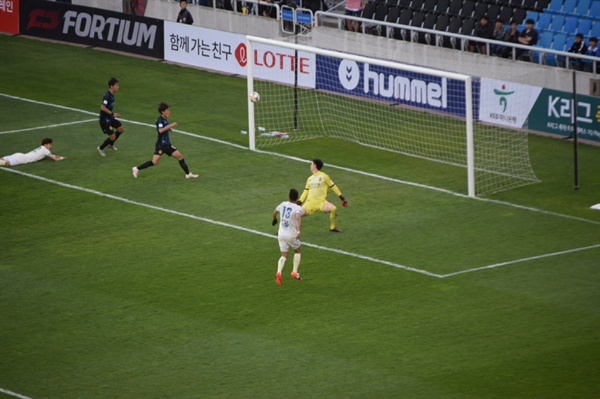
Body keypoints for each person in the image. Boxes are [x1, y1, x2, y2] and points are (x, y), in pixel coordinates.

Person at [132, 102, 199, 179]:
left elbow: (165, 127)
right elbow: (160, 130)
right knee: (154, 162)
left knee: (180, 157)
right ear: (163, 112)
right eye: (167, 110)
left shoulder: (165, 119)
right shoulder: (159, 120)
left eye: (169, 110)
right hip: (161, 145)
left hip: (167, 145)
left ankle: (188, 174)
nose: (169, 111)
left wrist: (169, 128)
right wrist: (170, 126)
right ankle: (136, 169)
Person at [298, 159, 348, 232]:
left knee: (333, 209)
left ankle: (332, 227)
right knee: (296, 215)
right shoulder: (310, 179)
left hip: (321, 203)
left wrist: (342, 198)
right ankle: (283, 229)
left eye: (311, 164)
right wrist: (300, 201)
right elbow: (306, 191)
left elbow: (333, 186)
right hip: (309, 204)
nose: (310, 165)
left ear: (315, 165)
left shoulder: (324, 176)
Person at [272, 188, 303, 286]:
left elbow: (274, 212)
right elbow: (298, 218)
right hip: (291, 234)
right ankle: (294, 271)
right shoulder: (298, 208)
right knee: (297, 251)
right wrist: (298, 231)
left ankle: (279, 272)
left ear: (289, 197)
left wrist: (275, 219)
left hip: (281, 234)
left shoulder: (283, 204)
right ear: (297, 197)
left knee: (284, 255)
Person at [97, 77, 124, 157]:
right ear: (111, 86)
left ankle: (111, 144)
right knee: (112, 137)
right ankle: (101, 148)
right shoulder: (107, 96)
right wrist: (112, 114)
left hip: (110, 118)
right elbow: (102, 107)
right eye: (116, 85)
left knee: (120, 129)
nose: (118, 87)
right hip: (104, 120)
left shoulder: (112, 95)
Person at [0, 138, 65, 167]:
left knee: (2, 159)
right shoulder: (46, 150)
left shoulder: (42, 148)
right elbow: (55, 159)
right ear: (45, 144)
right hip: (23, 159)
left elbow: (53, 155)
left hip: (20, 155)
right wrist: (62, 158)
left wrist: (61, 156)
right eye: (50, 144)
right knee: (7, 164)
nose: (51, 146)